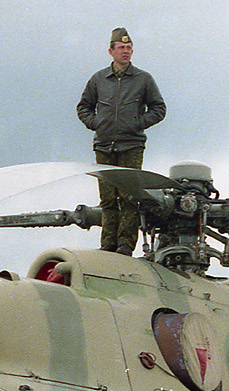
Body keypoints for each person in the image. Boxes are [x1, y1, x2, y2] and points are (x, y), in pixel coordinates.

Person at [76, 28, 166, 255]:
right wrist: (96, 123)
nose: (126, 52)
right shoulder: (98, 79)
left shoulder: (143, 79)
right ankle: (108, 244)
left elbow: (159, 109)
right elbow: (83, 107)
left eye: (129, 48)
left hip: (131, 145)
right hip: (104, 145)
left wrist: (137, 123)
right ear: (111, 51)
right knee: (107, 199)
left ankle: (125, 246)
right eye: (121, 48)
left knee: (129, 197)